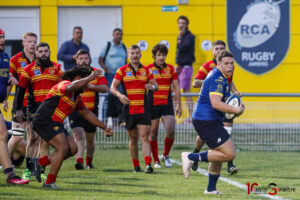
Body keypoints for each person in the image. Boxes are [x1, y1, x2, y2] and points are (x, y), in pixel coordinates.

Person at [32, 67, 114, 189]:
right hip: (45, 120)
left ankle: (40, 163)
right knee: (63, 147)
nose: (87, 85)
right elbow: (70, 87)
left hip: (54, 123)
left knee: (73, 149)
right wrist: (90, 77)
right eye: (85, 81)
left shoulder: (76, 97)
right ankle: (49, 182)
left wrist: (104, 127)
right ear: (76, 78)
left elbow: (86, 113)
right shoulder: (64, 84)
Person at [181, 50, 245, 195]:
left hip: (210, 119)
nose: (230, 66)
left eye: (232, 63)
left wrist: (236, 106)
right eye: (226, 63)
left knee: (219, 153)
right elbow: (216, 103)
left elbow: (224, 102)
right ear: (218, 64)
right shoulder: (217, 78)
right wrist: (236, 111)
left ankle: (211, 188)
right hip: (206, 120)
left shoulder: (222, 77)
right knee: (229, 154)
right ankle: (190, 157)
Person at [191, 40, 241, 174]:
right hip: (210, 110)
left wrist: (234, 91)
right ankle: (193, 155)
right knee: (212, 141)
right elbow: (195, 83)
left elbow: (229, 82)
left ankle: (227, 168)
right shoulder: (209, 68)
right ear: (212, 51)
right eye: (217, 49)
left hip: (224, 105)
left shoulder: (228, 66)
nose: (219, 51)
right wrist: (208, 81)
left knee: (226, 137)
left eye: (222, 49)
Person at [15, 42, 63, 182]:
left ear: (49, 52)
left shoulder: (57, 68)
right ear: (36, 53)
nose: (43, 54)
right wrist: (18, 109)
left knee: (45, 141)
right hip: (34, 108)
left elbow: (63, 87)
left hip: (51, 109)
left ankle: (41, 171)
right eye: (40, 51)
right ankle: (28, 170)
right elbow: (20, 90)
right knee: (33, 138)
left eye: (45, 51)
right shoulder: (29, 69)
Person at [110, 45, 158, 173]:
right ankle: (136, 166)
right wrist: (120, 95)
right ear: (128, 55)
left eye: (137, 53)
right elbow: (112, 88)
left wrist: (152, 87)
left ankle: (148, 164)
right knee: (133, 138)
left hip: (144, 108)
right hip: (129, 109)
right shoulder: (122, 70)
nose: (135, 55)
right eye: (132, 53)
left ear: (141, 55)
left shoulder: (146, 71)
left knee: (144, 137)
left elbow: (156, 86)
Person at [0, 28, 29, 184]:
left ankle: (10, 175)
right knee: (4, 135)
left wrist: (10, 80)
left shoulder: (5, 57)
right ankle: (10, 175)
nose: (2, 40)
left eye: (3, 37)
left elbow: (4, 77)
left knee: (3, 136)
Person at [70, 49, 108, 170]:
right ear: (76, 60)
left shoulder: (96, 73)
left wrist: (91, 85)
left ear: (90, 60)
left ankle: (89, 162)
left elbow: (105, 88)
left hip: (91, 111)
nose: (83, 61)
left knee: (90, 139)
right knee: (78, 134)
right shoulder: (71, 74)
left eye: (86, 58)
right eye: (80, 58)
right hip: (75, 110)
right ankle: (79, 161)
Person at [6, 32, 37, 180]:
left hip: (35, 105)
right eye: (29, 42)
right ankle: (5, 163)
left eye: (34, 42)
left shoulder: (40, 60)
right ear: (23, 43)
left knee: (33, 137)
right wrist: (5, 99)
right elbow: (9, 80)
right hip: (20, 104)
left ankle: (29, 168)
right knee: (17, 137)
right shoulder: (15, 60)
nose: (32, 44)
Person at [146, 44, 182, 168]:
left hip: (167, 104)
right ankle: (156, 160)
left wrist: (179, 105)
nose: (161, 57)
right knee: (153, 133)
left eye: (163, 55)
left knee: (171, 130)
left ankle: (165, 155)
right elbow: (143, 85)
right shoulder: (148, 69)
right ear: (154, 56)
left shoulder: (171, 69)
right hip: (152, 104)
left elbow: (176, 87)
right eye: (159, 55)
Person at [98, 28, 127, 126]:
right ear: (113, 35)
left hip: (121, 76)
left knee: (120, 97)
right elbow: (100, 60)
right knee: (108, 97)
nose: (119, 36)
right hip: (110, 75)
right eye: (117, 34)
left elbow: (126, 61)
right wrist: (106, 69)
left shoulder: (123, 47)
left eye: (120, 34)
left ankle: (118, 122)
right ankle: (104, 121)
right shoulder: (108, 46)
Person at [176, 16, 195, 120]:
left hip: (186, 67)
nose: (181, 25)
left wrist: (180, 38)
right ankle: (173, 116)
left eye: (183, 23)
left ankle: (191, 116)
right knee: (175, 91)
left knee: (186, 91)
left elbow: (183, 48)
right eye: (179, 23)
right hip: (179, 67)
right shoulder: (180, 36)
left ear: (187, 25)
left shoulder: (189, 37)